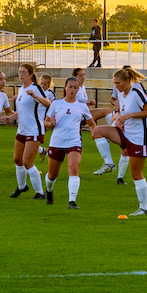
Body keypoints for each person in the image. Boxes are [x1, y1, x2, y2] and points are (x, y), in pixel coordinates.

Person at [91, 67, 147, 216]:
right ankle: (109, 163)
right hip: (125, 133)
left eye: (118, 83)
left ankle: (144, 208)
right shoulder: (121, 93)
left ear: (127, 81)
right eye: (114, 83)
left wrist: (129, 116)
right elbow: (124, 114)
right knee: (97, 131)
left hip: (139, 138)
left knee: (136, 174)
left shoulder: (137, 92)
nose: (116, 86)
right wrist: (119, 120)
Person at [43, 74, 103, 209]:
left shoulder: (82, 107)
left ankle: (72, 201)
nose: (72, 90)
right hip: (57, 142)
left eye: (75, 88)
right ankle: (49, 190)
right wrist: (49, 123)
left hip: (74, 142)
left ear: (78, 90)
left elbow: (91, 123)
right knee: (52, 175)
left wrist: (95, 132)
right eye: (70, 87)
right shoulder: (56, 104)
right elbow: (46, 121)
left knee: (74, 168)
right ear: (65, 88)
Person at [10, 64, 52, 199]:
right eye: (19, 72)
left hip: (34, 129)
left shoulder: (35, 88)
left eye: (24, 72)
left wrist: (35, 96)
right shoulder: (21, 89)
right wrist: (10, 117)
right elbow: (22, 111)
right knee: (17, 159)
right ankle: (22, 187)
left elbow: (48, 103)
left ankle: (40, 192)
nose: (21, 75)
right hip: (22, 129)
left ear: (30, 74)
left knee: (27, 162)